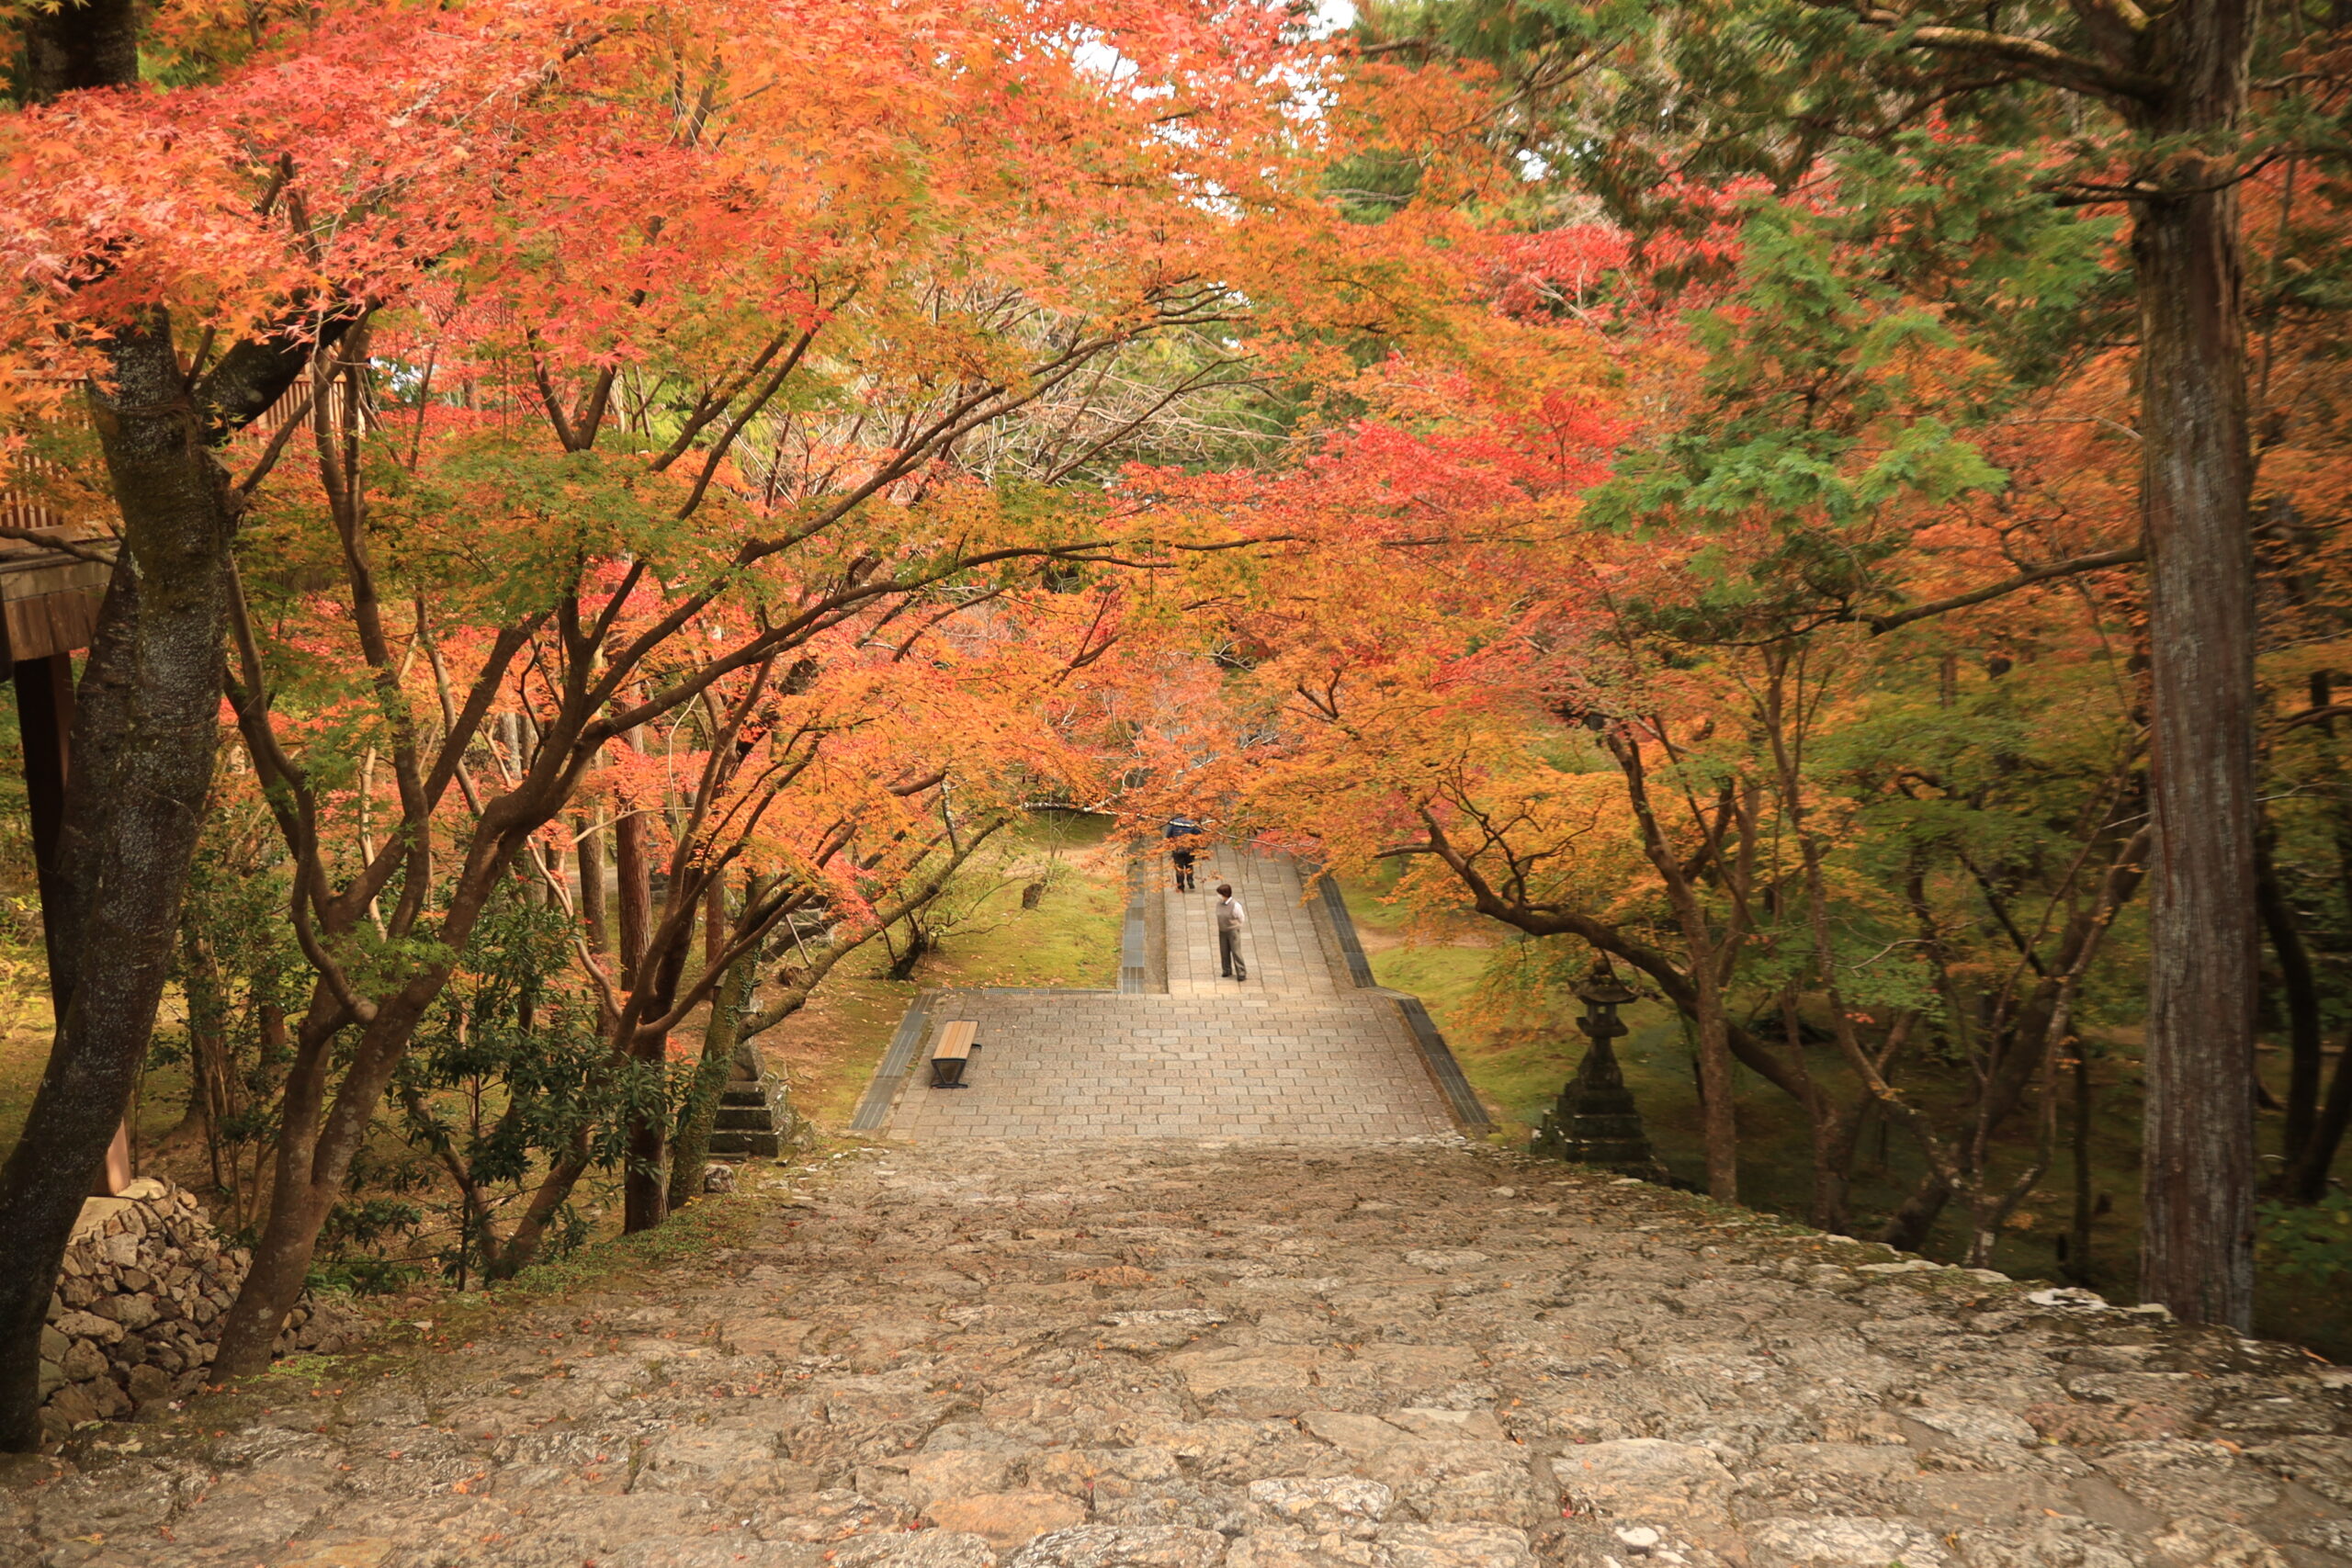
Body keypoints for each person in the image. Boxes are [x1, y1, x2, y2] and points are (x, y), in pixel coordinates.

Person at [1215, 882, 1247, 980]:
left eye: (1220, 894)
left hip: (1232, 931)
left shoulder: (1235, 905)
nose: (1218, 896)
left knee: (1236, 951)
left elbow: (1241, 917)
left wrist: (1236, 926)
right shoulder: (1219, 904)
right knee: (1224, 951)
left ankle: (1241, 972)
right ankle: (1226, 969)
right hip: (1222, 930)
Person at [1165, 816, 1202, 892]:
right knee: (1189, 864)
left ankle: (1181, 885)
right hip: (1189, 848)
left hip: (1177, 848)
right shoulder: (1193, 823)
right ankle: (1190, 879)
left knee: (1179, 868)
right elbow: (1199, 835)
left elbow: (1168, 835)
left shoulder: (1174, 822)